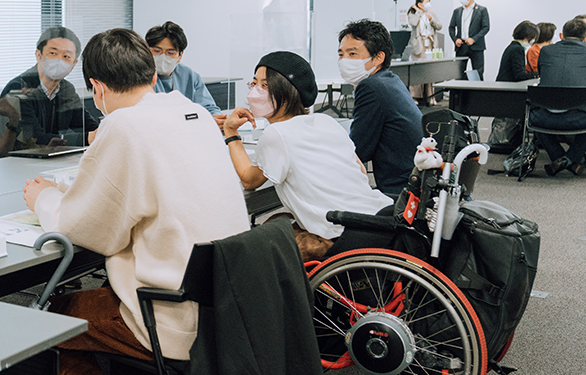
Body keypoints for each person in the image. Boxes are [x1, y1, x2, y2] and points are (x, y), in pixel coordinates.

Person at [20, 29, 248, 375]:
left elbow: (88, 230)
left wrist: (44, 200)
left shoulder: (122, 126)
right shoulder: (194, 112)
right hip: (222, 305)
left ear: (97, 87)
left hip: (169, 312)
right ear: (149, 71)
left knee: (44, 326)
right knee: (108, 301)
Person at [221, 51, 392, 260]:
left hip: (339, 233)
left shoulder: (276, 134)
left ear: (286, 92)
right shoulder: (326, 121)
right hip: (377, 219)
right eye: (254, 83)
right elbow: (361, 171)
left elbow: (249, 180)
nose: (255, 91)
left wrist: (231, 133)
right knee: (280, 218)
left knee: (260, 240)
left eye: (265, 86)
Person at [0, 26, 99, 157]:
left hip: (52, 159)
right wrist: (87, 138)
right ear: (39, 55)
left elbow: (88, 125)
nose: (59, 60)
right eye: (53, 53)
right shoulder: (18, 88)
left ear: (73, 64)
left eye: (66, 56)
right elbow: (34, 138)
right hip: (19, 162)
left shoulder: (66, 89)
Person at [338, 19, 423, 199]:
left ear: (378, 57)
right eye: (341, 54)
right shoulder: (390, 80)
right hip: (417, 180)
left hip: (402, 192)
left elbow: (358, 150)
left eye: (352, 54)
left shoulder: (370, 87)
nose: (344, 61)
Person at [533, 17, 586, 176]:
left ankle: (559, 158)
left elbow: (541, 75)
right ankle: (568, 159)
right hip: (578, 118)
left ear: (561, 35)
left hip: (543, 118)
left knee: (531, 115)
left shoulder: (545, 51)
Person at [145, 20, 220, 113]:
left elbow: (210, 109)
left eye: (170, 53)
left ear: (180, 55)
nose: (163, 56)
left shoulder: (189, 76)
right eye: (157, 51)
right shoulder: (141, 75)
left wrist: (214, 119)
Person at [405, 0, 442, 103]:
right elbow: (413, 23)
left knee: (430, 69)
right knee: (418, 70)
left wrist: (431, 19)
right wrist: (418, 12)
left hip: (430, 43)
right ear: (419, 4)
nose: (428, 4)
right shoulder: (413, 13)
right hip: (419, 44)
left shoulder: (431, 14)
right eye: (426, 2)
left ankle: (431, 96)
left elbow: (439, 26)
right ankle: (414, 97)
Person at [448, 0, 490, 81]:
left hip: (476, 46)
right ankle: (459, 95)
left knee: (478, 73)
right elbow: (451, 27)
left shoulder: (481, 10)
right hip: (461, 46)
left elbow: (486, 27)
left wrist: (474, 39)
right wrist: (455, 39)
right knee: (458, 73)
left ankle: (477, 95)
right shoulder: (457, 11)